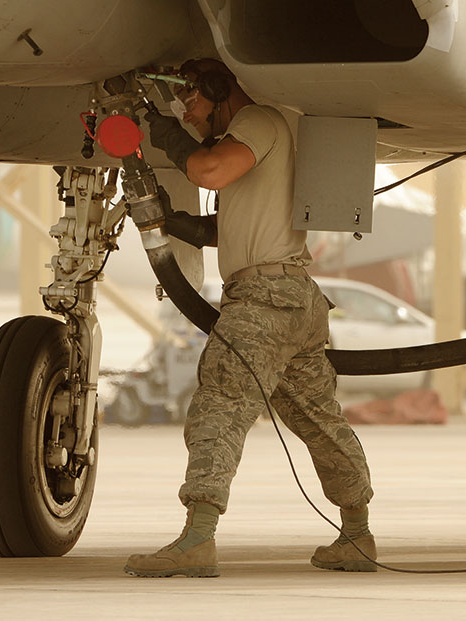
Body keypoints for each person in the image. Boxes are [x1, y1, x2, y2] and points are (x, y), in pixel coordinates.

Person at [124, 58, 377, 577]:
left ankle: (197, 540)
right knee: (317, 418)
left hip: (265, 298)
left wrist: (165, 133)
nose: (191, 119)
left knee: (220, 402)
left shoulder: (257, 121)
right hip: (293, 297)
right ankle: (357, 534)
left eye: (191, 105)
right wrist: (177, 222)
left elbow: (208, 170)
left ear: (220, 91)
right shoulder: (252, 140)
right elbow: (236, 222)